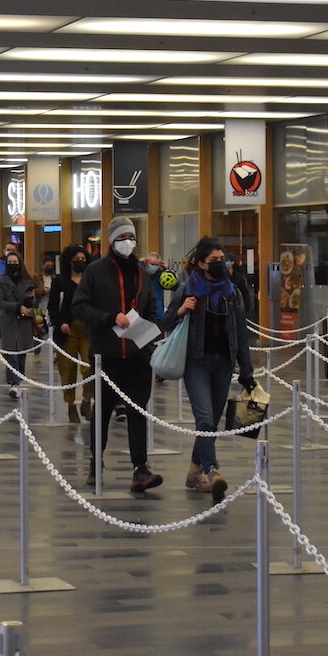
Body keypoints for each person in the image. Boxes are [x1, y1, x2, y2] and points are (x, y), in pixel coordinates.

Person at [72, 215, 163, 492]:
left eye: (131, 238)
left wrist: (150, 335)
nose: (127, 243)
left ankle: (141, 468)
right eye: (122, 238)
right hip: (106, 355)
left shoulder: (141, 272)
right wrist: (110, 317)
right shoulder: (95, 271)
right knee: (103, 411)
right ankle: (95, 462)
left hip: (138, 355)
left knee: (138, 411)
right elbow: (80, 307)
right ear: (111, 241)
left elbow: (150, 309)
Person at [163, 236, 255, 504]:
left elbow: (240, 332)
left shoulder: (232, 293)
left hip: (223, 363)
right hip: (196, 362)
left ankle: (193, 474)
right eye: (214, 261)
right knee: (204, 419)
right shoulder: (187, 289)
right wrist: (182, 310)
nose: (220, 264)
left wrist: (246, 370)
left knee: (211, 423)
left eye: (222, 260)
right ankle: (212, 471)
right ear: (201, 263)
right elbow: (165, 321)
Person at [50, 245, 94, 423]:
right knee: (67, 370)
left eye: (83, 259)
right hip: (67, 332)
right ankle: (70, 405)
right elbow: (53, 307)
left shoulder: (91, 280)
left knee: (89, 366)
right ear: (69, 261)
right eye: (77, 259)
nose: (80, 262)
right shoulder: (59, 281)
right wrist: (60, 323)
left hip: (88, 330)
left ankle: (87, 399)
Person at [0, 249, 36, 399]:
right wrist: (17, 307)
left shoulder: (27, 280)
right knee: (10, 352)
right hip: (8, 320)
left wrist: (31, 299)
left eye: (15, 262)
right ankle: (13, 383)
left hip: (24, 322)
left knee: (21, 354)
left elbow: (33, 303)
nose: (13, 264)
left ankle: (18, 379)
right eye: (10, 262)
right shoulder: (2, 279)